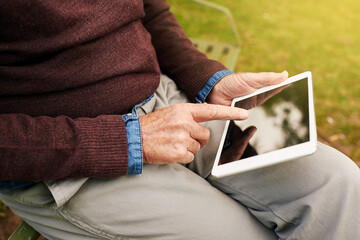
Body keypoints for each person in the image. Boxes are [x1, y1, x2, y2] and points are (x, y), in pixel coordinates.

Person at [0, 0, 359, 239]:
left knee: (339, 186)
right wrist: (128, 141)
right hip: (69, 159)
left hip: (169, 101)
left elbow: (149, 11)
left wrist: (206, 78)